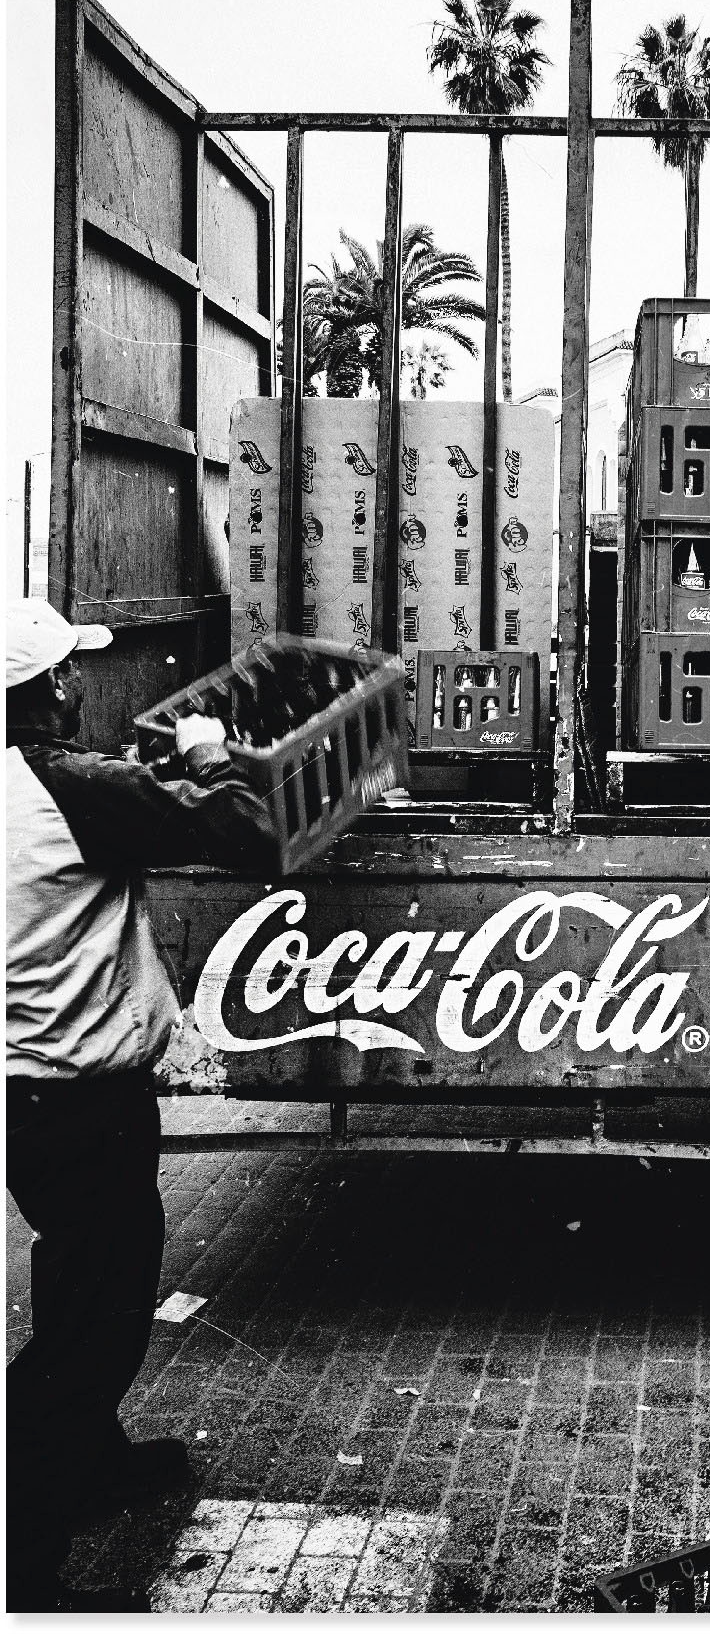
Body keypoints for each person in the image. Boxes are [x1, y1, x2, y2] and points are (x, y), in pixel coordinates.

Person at [6, 600, 281, 1611]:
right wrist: (209, 753)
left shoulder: (33, 789)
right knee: (96, 1325)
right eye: (66, 672)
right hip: (83, 1097)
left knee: (81, 1279)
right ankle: (21, 1567)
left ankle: (91, 1463)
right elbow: (251, 832)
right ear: (46, 689)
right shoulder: (69, 786)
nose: (79, 683)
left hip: (24, 1094)